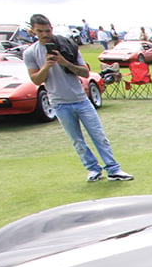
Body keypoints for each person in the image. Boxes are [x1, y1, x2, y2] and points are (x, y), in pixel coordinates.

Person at [23, 14, 133, 182]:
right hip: (59, 103)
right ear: (33, 31)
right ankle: (93, 169)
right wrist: (46, 66)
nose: (45, 34)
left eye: (48, 30)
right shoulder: (30, 53)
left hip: (81, 99)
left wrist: (64, 62)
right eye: (40, 31)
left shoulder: (67, 45)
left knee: (98, 135)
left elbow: (85, 72)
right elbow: (36, 80)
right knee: (77, 140)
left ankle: (113, 169)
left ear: (52, 29)